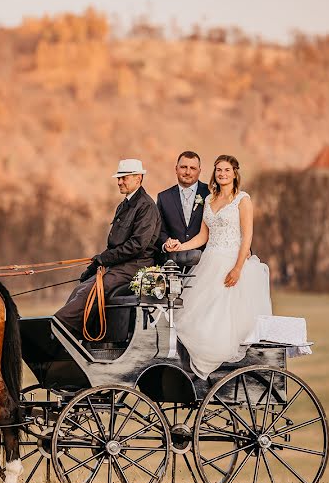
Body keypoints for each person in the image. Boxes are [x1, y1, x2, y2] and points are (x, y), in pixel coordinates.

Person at [165, 155, 271, 378]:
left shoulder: (243, 199)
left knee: (220, 315)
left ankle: (213, 362)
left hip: (232, 260)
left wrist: (238, 268)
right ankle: (190, 364)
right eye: (218, 170)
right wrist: (179, 247)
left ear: (234, 173)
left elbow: (247, 238)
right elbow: (203, 236)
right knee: (193, 314)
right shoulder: (210, 200)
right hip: (210, 260)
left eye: (226, 170)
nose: (222, 174)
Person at [55, 158, 162, 336]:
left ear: (138, 178)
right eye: (118, 178)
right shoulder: (124, 205)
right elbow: (115, 244)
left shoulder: (146, 206)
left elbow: (137, 245)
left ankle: (57, 329)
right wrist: (95, 265)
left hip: (135, 266)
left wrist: (104, 259)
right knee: (80, 288)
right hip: (119, 265)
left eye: (124, 178)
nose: (119, 182)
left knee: (91, 292)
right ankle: (79, 337)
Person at [155, 151, 210, 265]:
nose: (187, 172)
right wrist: (166, 243)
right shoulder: (164, 197)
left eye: (193, 168)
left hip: (205, 262)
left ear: (199, 171)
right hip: (173, 262)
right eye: (183, 167)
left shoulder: (210, 194)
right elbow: (159, 229)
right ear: (176, 169)